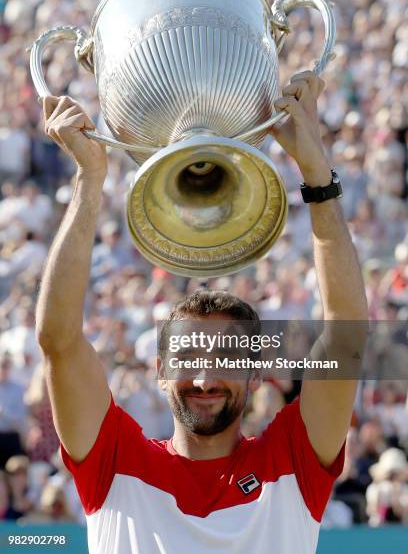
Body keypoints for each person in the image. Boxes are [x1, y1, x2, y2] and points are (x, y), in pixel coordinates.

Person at [35, 72, 368, 553]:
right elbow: (58, 341)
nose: (206, 376)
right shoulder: (113, 461)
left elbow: (348, 338)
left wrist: (318, 178)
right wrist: (89, 181)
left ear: (255, 375)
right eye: (189, 356)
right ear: (161, 370)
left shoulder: (293, 458)